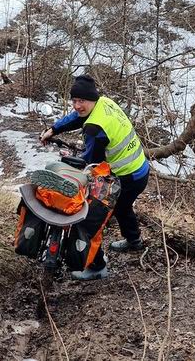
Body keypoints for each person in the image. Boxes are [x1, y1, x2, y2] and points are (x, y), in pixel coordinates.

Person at [40, 75, 150, 280]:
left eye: (81, 101)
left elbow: (91, 164)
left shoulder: (95, 128)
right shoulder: (104, 103)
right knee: (122, 206)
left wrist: (70, 164)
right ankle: (134, 241)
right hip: (140, 169)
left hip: (127, 175)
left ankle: (97, 266)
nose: (77, 105)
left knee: (90, 215)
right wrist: (54, 129)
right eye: (74, 100)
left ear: (92, 99)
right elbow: (77, 117)